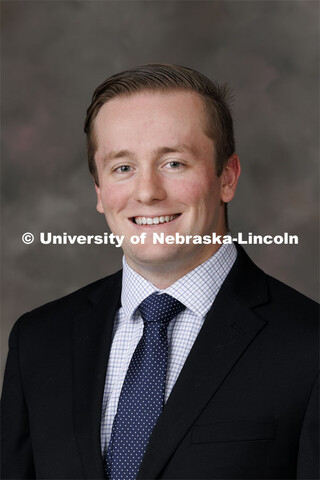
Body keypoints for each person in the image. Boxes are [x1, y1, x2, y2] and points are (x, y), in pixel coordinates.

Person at [1, 64, 318, 480]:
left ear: (227, 177)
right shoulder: (38, 342)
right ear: (100, 192)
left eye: (173, 163)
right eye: (123, 168)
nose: (148, 192)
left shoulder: (309, 346)